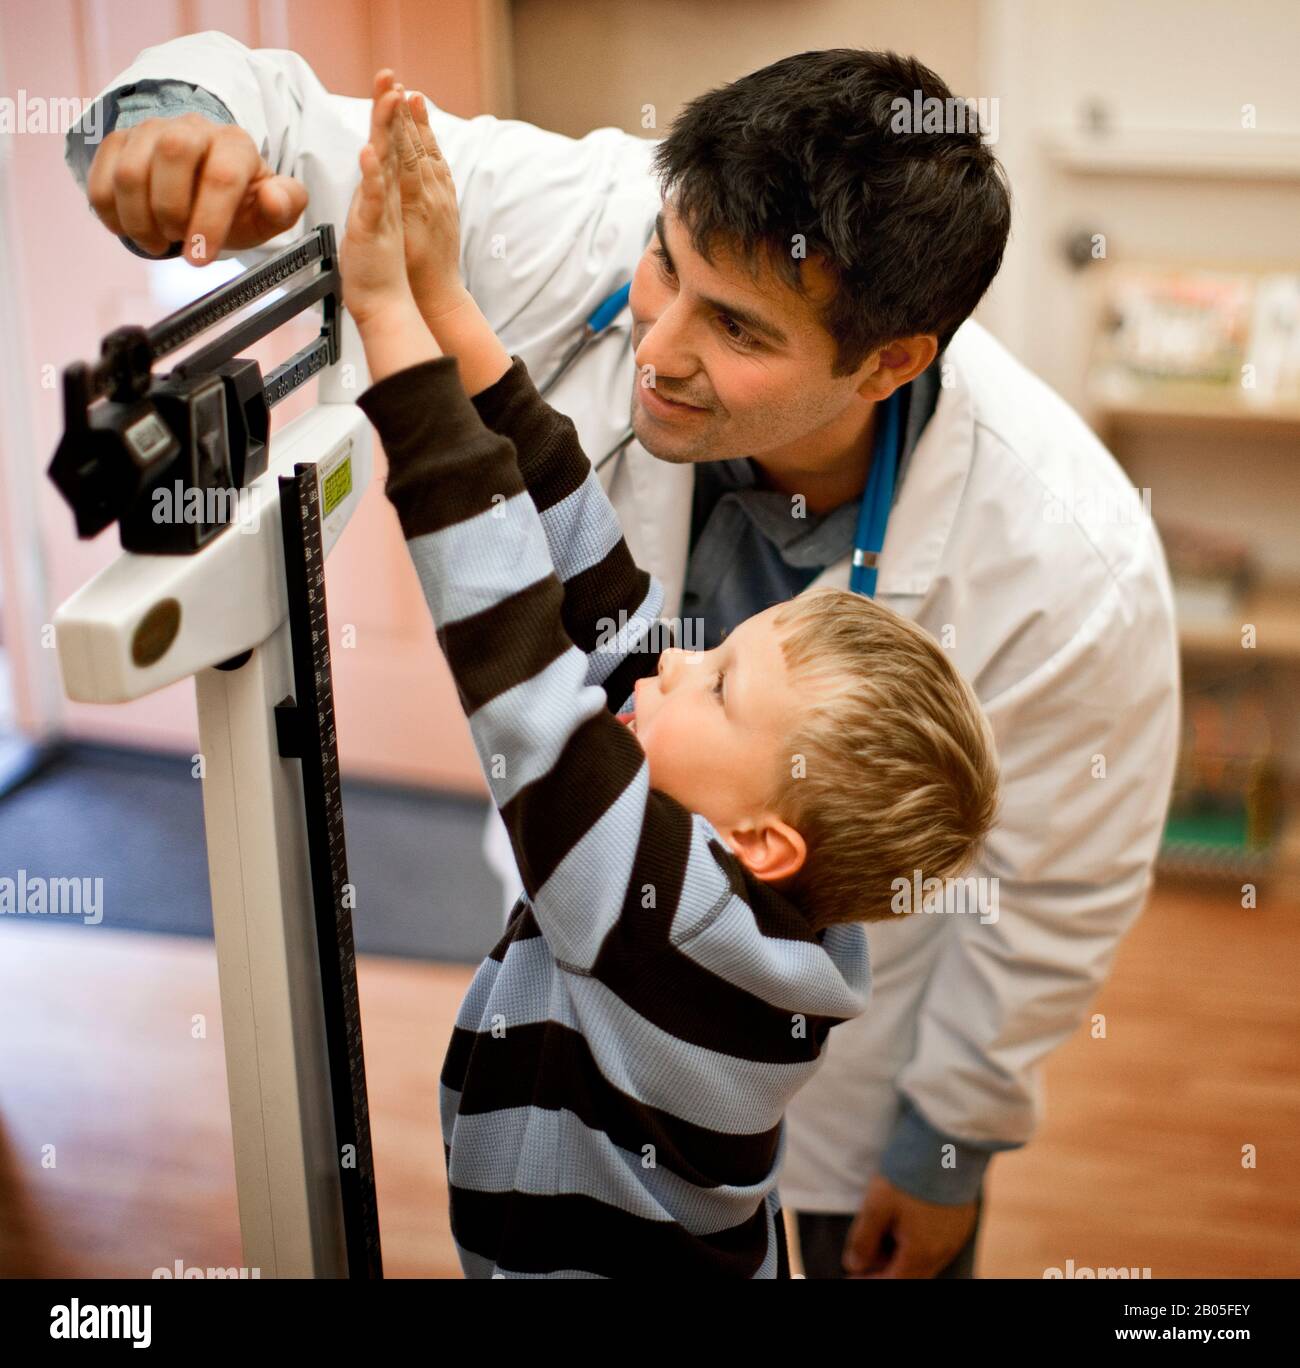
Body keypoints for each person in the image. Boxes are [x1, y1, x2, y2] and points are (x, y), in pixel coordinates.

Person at [65, 34, 1181, 1279]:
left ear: (889, 362)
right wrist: (177, 131)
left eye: (737, 330)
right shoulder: (600, 220)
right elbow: (612, 625)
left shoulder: (1075, 561)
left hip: (834, 1123)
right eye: (664, 260)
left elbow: (527, 677)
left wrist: (944, 1150)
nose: (652, 346)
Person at [339, 76, 999, 1277]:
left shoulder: (666, 923)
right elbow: (600, 597)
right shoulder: (735, 887)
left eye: (721, 685)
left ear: (764, 841)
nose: (679, 661)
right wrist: (448, 306)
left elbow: (516, 666)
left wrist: (387, 325)